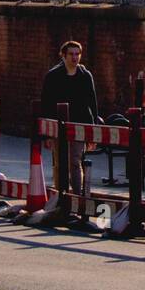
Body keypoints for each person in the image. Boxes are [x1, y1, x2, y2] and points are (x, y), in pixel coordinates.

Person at [40, 40, 99, 194]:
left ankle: (78, 196)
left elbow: (92, 104)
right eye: (71, 54)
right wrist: (46, 134)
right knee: (60, 162)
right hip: (58, 126)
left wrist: (92, 133)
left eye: (77, 54)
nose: (75, 57)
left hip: (79, 125)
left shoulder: (85, 76)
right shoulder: (53, 76)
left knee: (75, 161)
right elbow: (46, 104)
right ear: (63, 56)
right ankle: (62, 195)